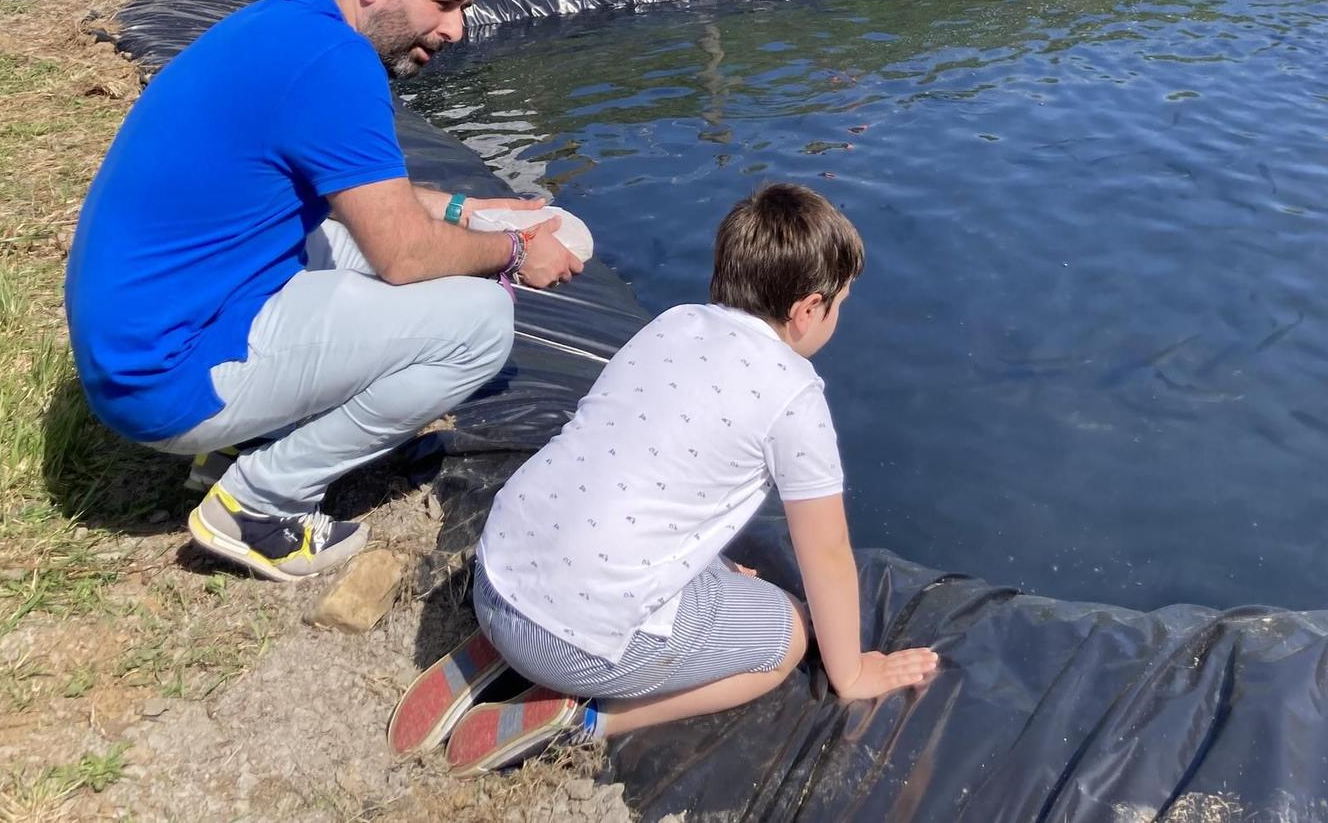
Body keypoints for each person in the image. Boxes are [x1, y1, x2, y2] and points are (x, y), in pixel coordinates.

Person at [64, 0, 584, 583]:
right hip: (164, 376)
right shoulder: (336, 65)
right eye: (446, 2)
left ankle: (240, 443)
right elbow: (404, 256)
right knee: (481, 321)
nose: (457, 29)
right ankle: (259, 502)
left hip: (145, 332)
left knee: (362, 252)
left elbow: (354, 196)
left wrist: (465, 208)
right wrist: (517, 251)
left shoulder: (288, 25)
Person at [394, 183, 938, 773]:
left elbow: (646, 466)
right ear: (808, 309)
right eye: (840, 303)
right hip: (569, 640)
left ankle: (498, 647)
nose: (839, 315)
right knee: (787, 636)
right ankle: (584, 719)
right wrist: (853, 671)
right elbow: (828, 553)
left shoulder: (675, 323)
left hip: (494, 576)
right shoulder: (794, 397)